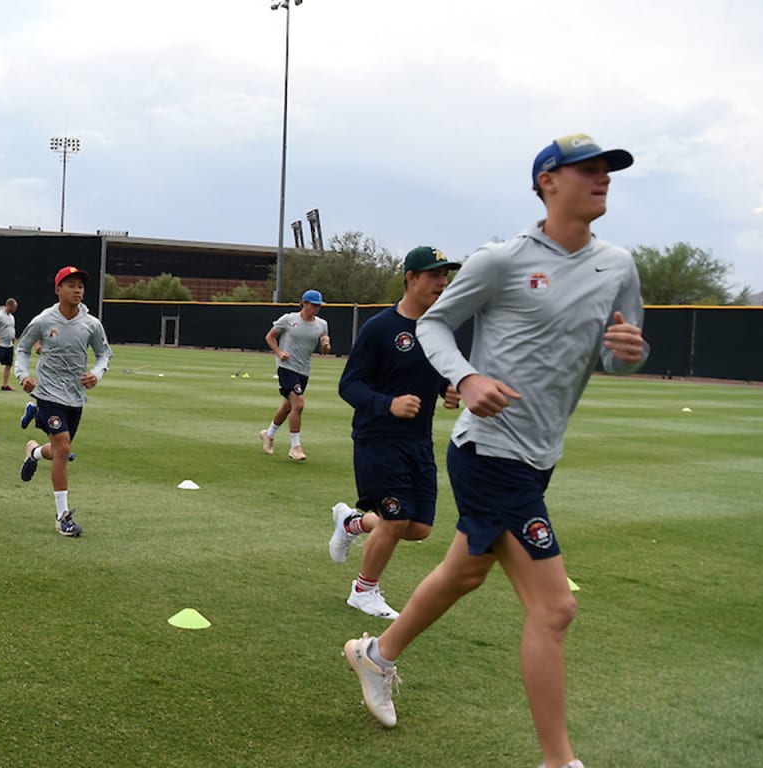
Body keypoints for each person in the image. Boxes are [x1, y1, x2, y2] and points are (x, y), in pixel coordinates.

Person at [342, 134, 648, 768]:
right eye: (586, 170)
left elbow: (618, 357)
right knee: (554, 606)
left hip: (540, 454)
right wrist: (467, 378)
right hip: (489, 451)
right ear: (546, 182)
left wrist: (627, 356)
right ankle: (558, 760)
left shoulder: (618, 266)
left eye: (607, 170)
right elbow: (431, 323)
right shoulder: (500, 260)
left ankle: (376, 656)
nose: (602, 178)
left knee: (465, 572)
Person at [330, 246, 463, 620]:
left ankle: (351, 523)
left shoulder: (441, 329)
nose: (442, 282)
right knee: (395, 521)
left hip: (418, 440)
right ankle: (363, 591)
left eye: (445, 275)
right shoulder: (380, 329)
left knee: (418, 527)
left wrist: (447, 390)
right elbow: (349, 386)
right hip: (378, 439)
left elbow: (436, 373)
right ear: (411, 278)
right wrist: (388, 404)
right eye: (435, 275)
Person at [15, 266, 112, 537]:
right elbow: (22, 349)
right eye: (71, 284)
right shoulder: (44, 320)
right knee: (64, 446)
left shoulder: (91, 323)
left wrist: (96, 374)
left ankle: (33, 452)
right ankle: (62, 517)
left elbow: (105, 354)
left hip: (75, 397)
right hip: (47, 393)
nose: (77, 289)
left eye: (80, 285)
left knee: (58, 450)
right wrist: (23, 376)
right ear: (58, 289)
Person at [260, 289, 330, 460]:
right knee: (298, 404)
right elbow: (269, 337)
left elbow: (325, 350)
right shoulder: (289, 320)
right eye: (314, 305)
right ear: (304, 303)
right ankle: (295, 447)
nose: (316, 308)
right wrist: (279, 352)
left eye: (319, 306)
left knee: (288, 407)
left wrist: (326, 346)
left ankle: (268, 434)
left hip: (304, 370)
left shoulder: (322, 324)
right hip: (286, 367)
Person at [0, 297, 19, 391]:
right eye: (14, 307)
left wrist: (13, 337)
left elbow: (11, 328)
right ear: (9, 305)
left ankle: (5, 385)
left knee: (8, 364)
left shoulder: (11, 317)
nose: (15, 309)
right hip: (1, 345)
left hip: (9, 345)